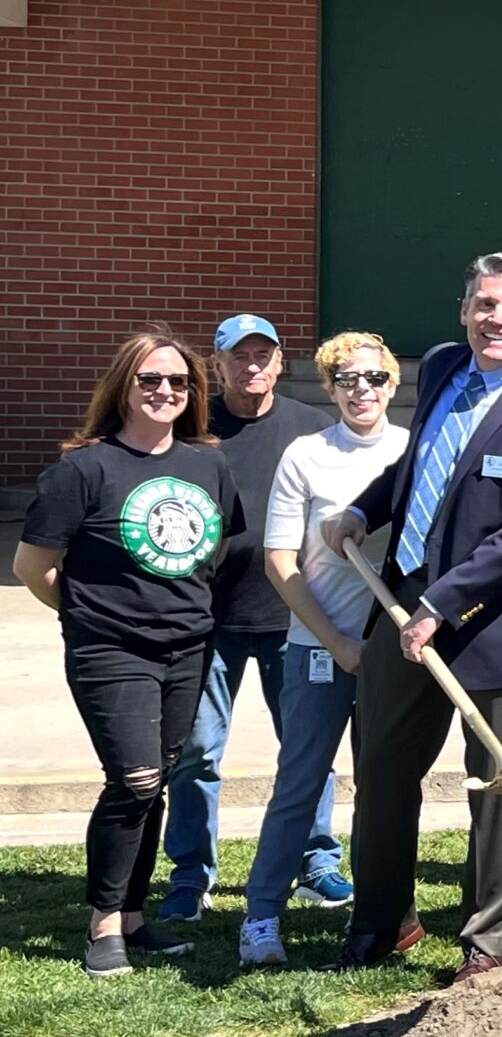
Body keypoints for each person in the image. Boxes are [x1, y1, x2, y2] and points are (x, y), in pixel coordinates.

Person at [321, 254, 502, 975]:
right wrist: (364, 509)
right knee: (380, 768)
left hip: (495, 619)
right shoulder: (444, 366)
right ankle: (381, 920)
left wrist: (442, 604)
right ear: (464, 309)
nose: (495, 319)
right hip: (402, 600)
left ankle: (485, 940)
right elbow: (423, 468)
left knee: (499, 784)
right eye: (484, 304)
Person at [16, 332, 244, 977]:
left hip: (188, 646)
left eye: (178, 382)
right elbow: (33, 565)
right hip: (110, 651)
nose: (165, 392)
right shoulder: (83, 469)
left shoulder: (209, 464)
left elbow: (216, 545)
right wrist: (87, 612)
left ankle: (136, 917)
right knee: (135, 778)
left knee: (158, 778)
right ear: (123, 386)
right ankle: (104, 925)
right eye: (150, 380)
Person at [240, 334, 410, 968]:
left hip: (395, 649)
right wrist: (335, 640)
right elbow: (280, 562)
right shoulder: (306, 455)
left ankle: (386, 915)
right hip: (318, 646)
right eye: (345, 378)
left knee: (386, 783)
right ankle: (260, 917)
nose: (360, 387)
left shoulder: (413, 452)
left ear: (392, 384)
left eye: (372, 376)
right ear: (329, 388)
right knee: (302, 779)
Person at [160, 313, 332, 922]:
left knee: (307, 748)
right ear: (218, 364)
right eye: (240, 356)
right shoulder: (191, 429)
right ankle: (190, 875)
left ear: (282, 362)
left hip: (294, 617)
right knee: (197, 750)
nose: (252, 365)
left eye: (264, 355)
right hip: (207, 621)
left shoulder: (314, 429)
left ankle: (318, 861)